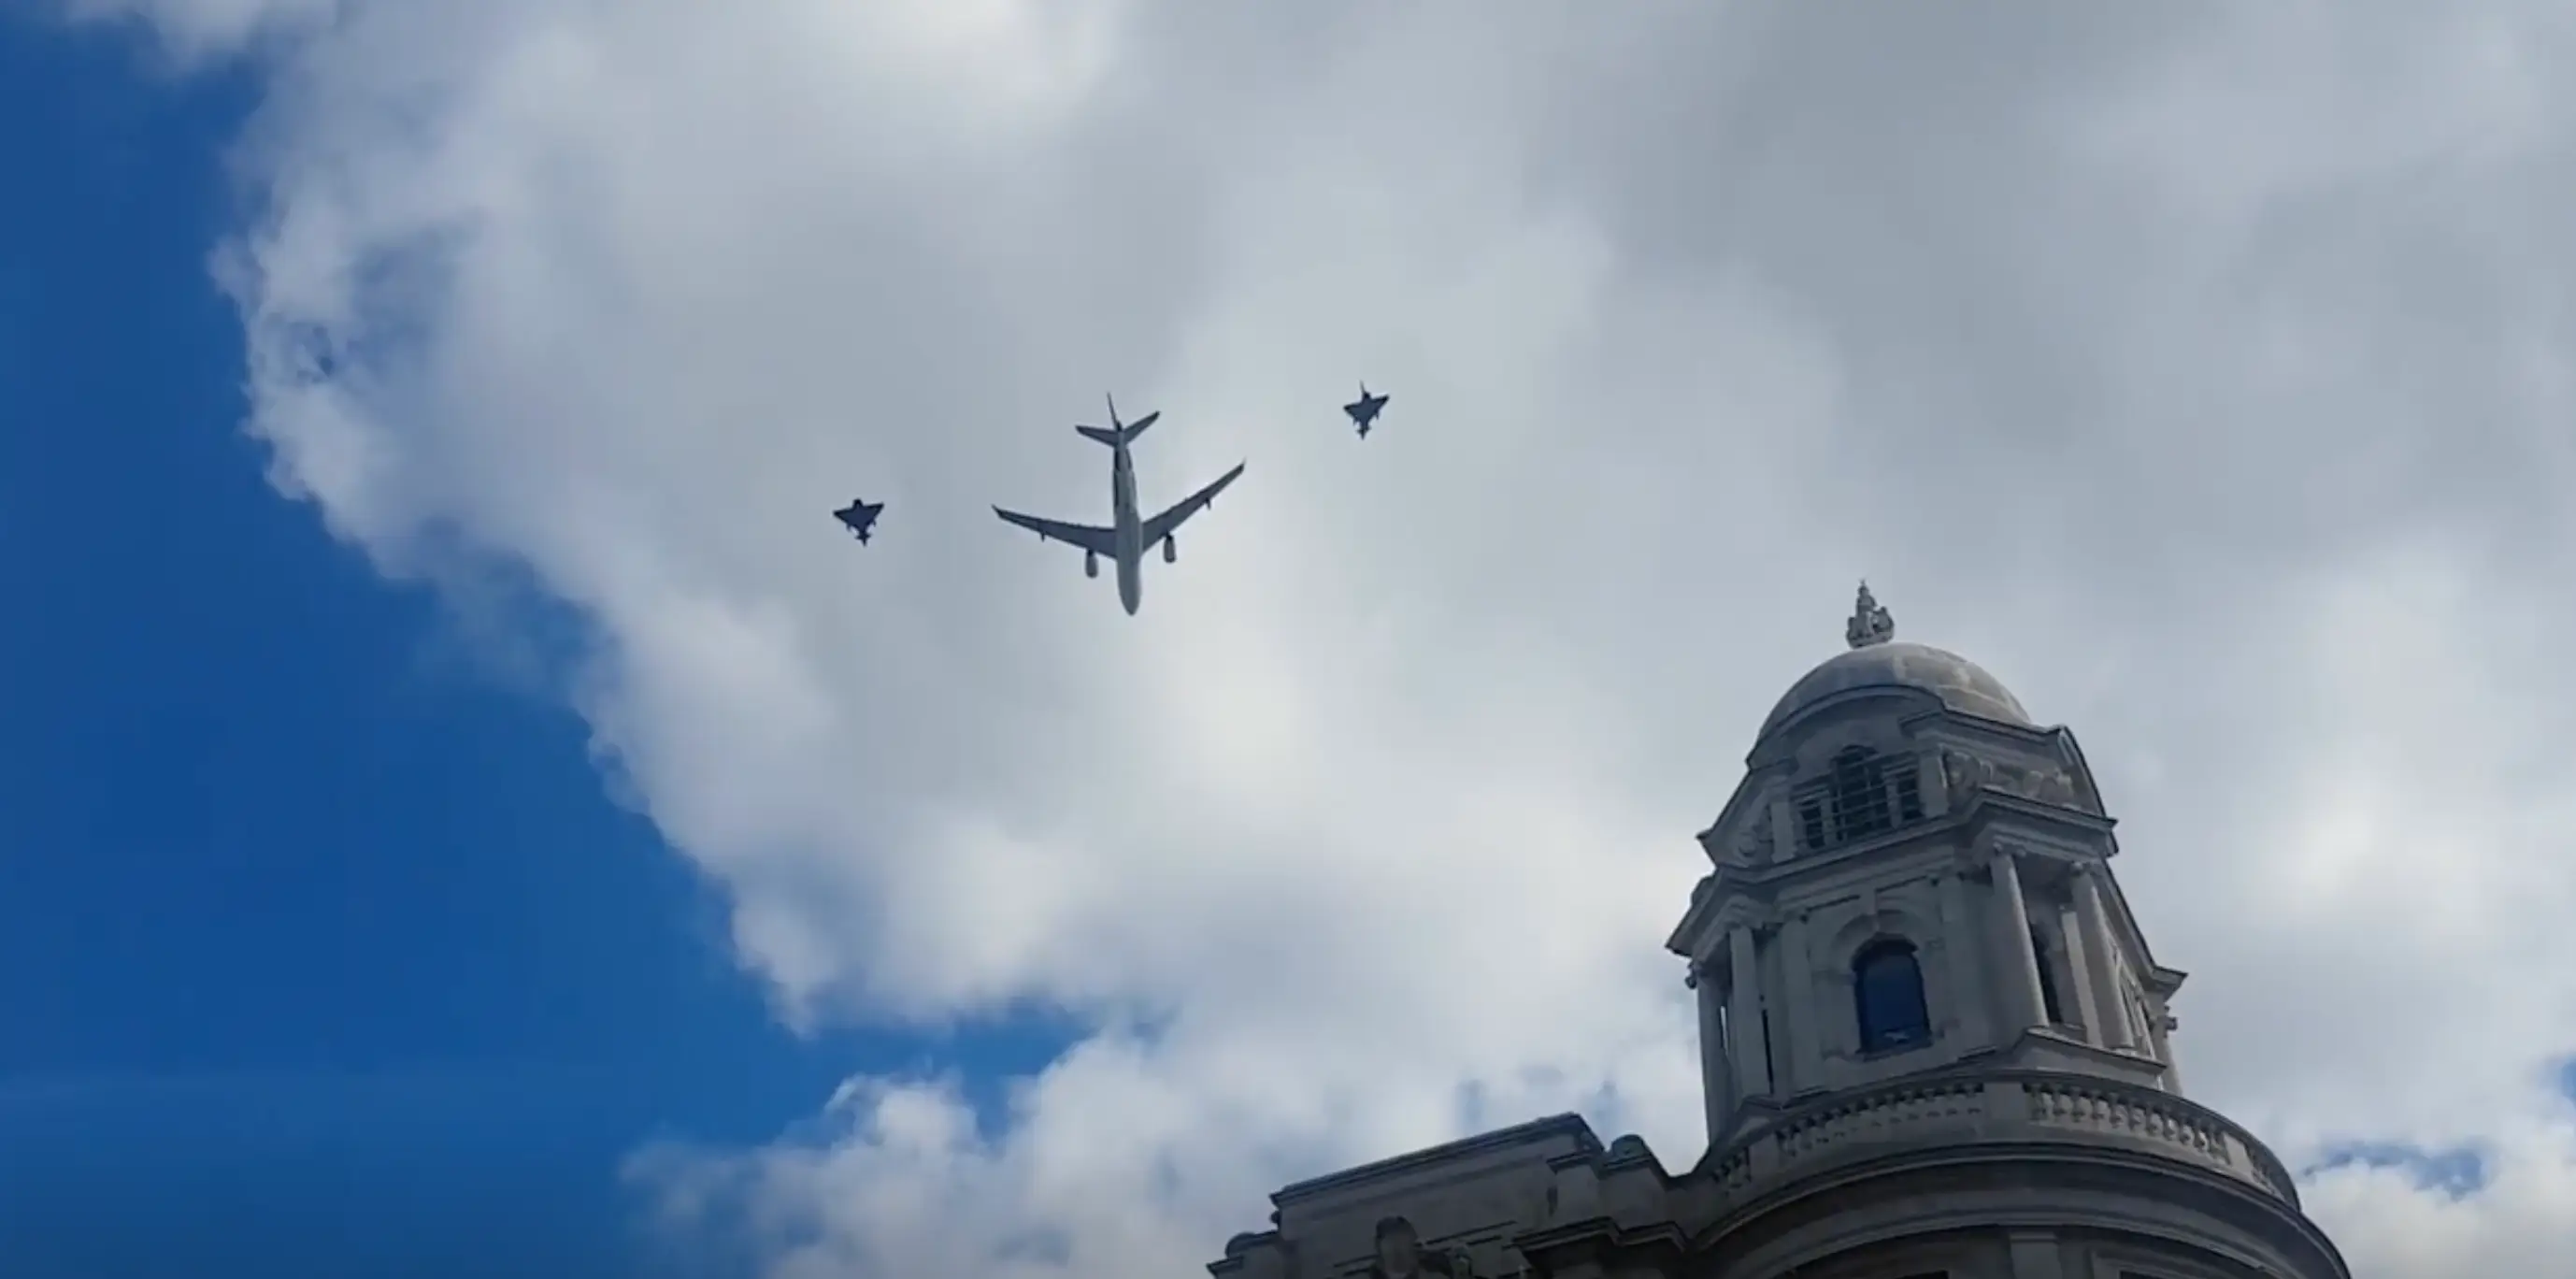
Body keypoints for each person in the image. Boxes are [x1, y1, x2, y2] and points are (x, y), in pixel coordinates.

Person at [1367, 1215, 1468, 1279]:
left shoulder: (1433, 1271)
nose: (1397, 1246)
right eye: (1391, 1240)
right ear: (1378, 1246)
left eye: (1401, 1240)